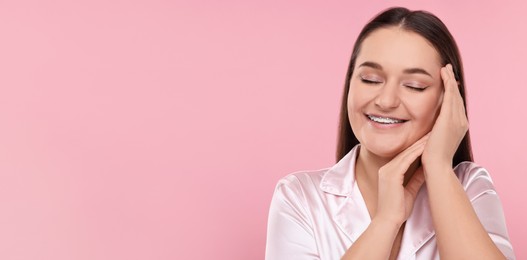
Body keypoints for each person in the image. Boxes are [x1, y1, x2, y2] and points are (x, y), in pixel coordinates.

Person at [265, 7, 515, 260]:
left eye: (414, 86)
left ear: (448, 99)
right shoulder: (299, 196)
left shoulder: (470, 187)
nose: (386, 101)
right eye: (371, 80)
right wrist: (386, 222)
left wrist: (438, 168)